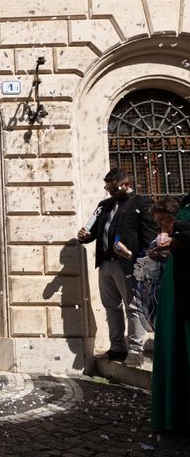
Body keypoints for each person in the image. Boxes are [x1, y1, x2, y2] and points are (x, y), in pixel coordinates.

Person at [77, 168, 157, 367]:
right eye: (108, 189)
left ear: (127, 185)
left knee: (133, 307)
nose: (110, 193)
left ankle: (136, 351)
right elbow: (95, 230)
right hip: (106, 263)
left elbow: (148, 235)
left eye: (114, 189)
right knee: (111, 307)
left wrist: (140, 260)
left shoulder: (142, 203)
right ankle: (117, 348)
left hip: (128, 263)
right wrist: (85, 236)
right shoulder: (104, 205)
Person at [149, 197, 190, 435]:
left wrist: (172, 243)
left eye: (163, 221)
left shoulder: (181, 226)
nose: (161, 226)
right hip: (174, 291)